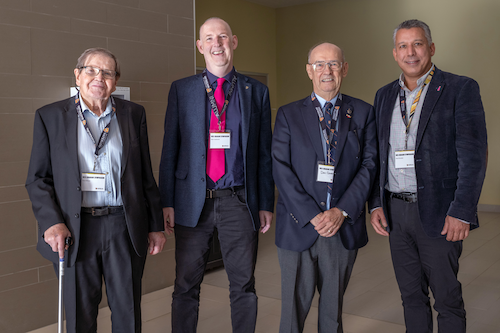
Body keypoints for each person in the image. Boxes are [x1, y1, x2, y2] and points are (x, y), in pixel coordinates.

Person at [26, 47, 166, 333]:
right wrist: (51, 222)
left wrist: (155, 225)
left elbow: (145, 176)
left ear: (115, 80)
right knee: (80, 313)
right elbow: (38, 179)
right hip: (75, 230)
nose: (98, 77)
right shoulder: (50, 116)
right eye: (91, 70)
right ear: (77, 75)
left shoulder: (133, 114)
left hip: (123, 226)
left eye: (107, 72)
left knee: (127, 309)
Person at [368, 19, 487, 333]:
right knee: (410, 296)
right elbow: (378, 156)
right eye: (403, 46)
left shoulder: (460, 88)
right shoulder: (383, 96)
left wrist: (462, 211)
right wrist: (376, 203)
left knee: (446, 298)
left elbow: (473, 157)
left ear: (431, 48)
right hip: (396, 211)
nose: (411, 52)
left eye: (418, 44)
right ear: (395, 53)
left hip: (439, 211)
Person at [159, 17, 274, 333]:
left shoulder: (256, 92)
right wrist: (166, 201)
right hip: (191, 204)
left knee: (244, 284)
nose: (216, 43)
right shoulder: (182, 90)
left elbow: (264, 154)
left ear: (233, 42)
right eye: (209, 38)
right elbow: (170, 149)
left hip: (239, 201)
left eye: (222, 37)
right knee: (185, 284)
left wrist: (266, 203)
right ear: (200, 46)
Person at [272, 42, 377, 333]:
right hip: (298, 225)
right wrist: (311, 214)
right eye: (319, 64)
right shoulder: (288, 114)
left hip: (340, 227)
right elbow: (280, 167)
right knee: (292, 312)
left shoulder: (363, 112)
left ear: (344, 68)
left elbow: (369, 166)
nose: (326, 70)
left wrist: (340, 211)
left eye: (333, 64)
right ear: (309, 71)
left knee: (332, 313)